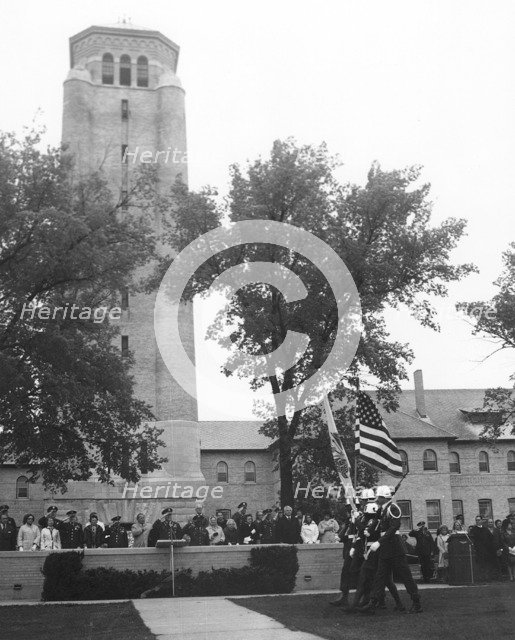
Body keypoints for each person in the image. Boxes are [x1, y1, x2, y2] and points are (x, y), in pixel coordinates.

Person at [359, 485, 421, 614]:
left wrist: (379, 542)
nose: (376, 499)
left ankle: (416, 602)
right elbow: (375, 520)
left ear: (383, 497)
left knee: (406, 576)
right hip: (385, 547)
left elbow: (393, 528)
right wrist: (368, 530)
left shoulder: (393, 508)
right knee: (380, 576)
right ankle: (373, 602)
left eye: (378, 497)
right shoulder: (382, 509)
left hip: (395, 546)